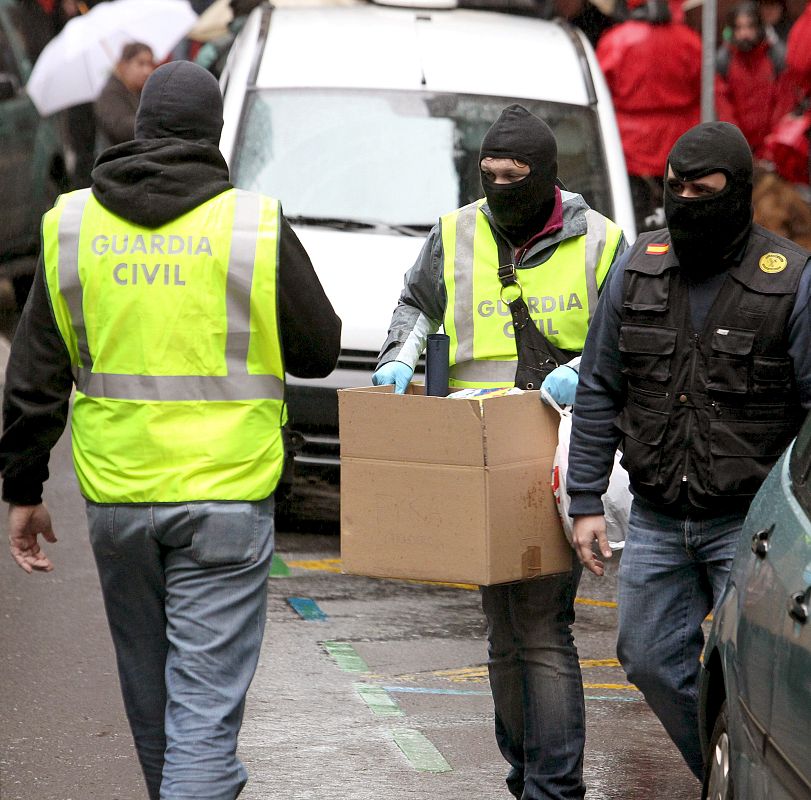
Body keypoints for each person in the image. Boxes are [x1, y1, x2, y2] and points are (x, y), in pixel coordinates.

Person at [1, 61, 341, 800]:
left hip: (119, 499)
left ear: (142, 126)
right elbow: (319, 348)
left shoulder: (70, 225)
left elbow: (31, 378)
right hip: (225, 496)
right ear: (214, 133)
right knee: (204, 722)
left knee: (156, 708)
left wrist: (22, 489)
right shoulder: (250, 223)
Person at [372, 104, 627, 800]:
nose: (496, 189)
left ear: (544, 177)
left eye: (511, 177)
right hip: (474, 451)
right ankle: (526, 775)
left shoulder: (602, 243)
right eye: (487, 176)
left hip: (556, 452)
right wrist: (399, 355)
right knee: (501, 629)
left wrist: (584, 369)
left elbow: (635, 332)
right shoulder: (454, 232)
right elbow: (415, 304)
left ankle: (552, 786)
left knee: (540, 626)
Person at [566, 121, 811, 782]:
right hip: (655, 517)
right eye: (674, 188)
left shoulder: (790, 281)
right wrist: (584, 499)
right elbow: (598, 386)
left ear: (736, 194)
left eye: (700, 190)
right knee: (645, 656)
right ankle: (723, 774)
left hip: (752, 529)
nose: (683, 202)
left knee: (761, 684)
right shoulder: (636, 268)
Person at [596, 0, 735, 232]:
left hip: (628, 151)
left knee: (629, 220)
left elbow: (601, 92)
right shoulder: (689, 40)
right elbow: (712, 94)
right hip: (681, 147)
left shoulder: (615, 40)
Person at [717, 2, 786, 159]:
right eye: (739, 28)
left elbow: (782, 103)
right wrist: (736, 144)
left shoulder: (776, 56)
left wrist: (772, 143)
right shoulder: (724, 60)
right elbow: (724, 108)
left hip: (771, 146)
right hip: (738, 147)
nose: (744, 34)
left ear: (759, 28)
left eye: (750, 27)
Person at [94, 42, 156, 149]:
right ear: (123, 66)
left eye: (150, 64)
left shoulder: (144, 90)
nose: (147, 71)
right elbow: (121, 129)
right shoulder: (110, 94)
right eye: (141, 64)